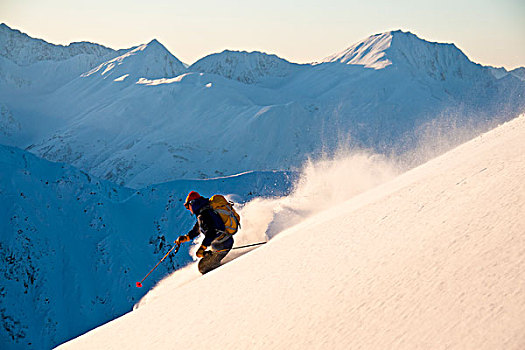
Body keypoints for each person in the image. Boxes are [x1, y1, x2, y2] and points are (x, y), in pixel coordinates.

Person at [175, 191, 234, 274]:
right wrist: (187, 237)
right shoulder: (205, 211)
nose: (189, 209)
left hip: (223, 244)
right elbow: (198, 228)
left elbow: (212, 232)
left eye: (188, 206)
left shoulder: (204, 215)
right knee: (205, 264)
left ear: (192, 203)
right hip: (223, 242)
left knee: (203, 267)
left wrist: (202, 248)